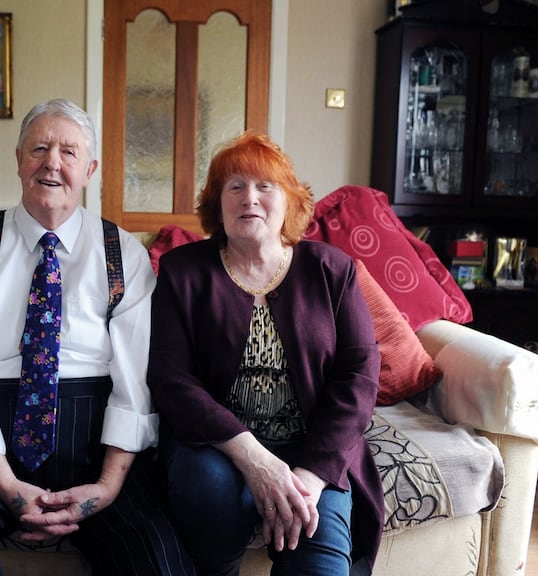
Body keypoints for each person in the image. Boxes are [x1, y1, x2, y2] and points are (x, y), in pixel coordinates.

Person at [0, 99, 195, 576]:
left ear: (90, 169)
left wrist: (107, 486)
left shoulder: (123, 253)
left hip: (98, 440)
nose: (52, 163)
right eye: (39, 148)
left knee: (160, 556)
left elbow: (137, 379)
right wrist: (9, 487)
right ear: (18, 159)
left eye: (69, 152)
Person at [148, 131, 385, 576]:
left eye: (264, 186)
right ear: (217, 204)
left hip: (312, 448)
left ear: (290, 201)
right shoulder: (183, 272)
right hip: (216, 446)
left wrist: (312, 476)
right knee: (207, 491)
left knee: (323, 565)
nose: (249, 198)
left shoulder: (332, 270)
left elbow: (360, 376)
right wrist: (253, 457)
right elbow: (170, 378)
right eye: (234, 186)